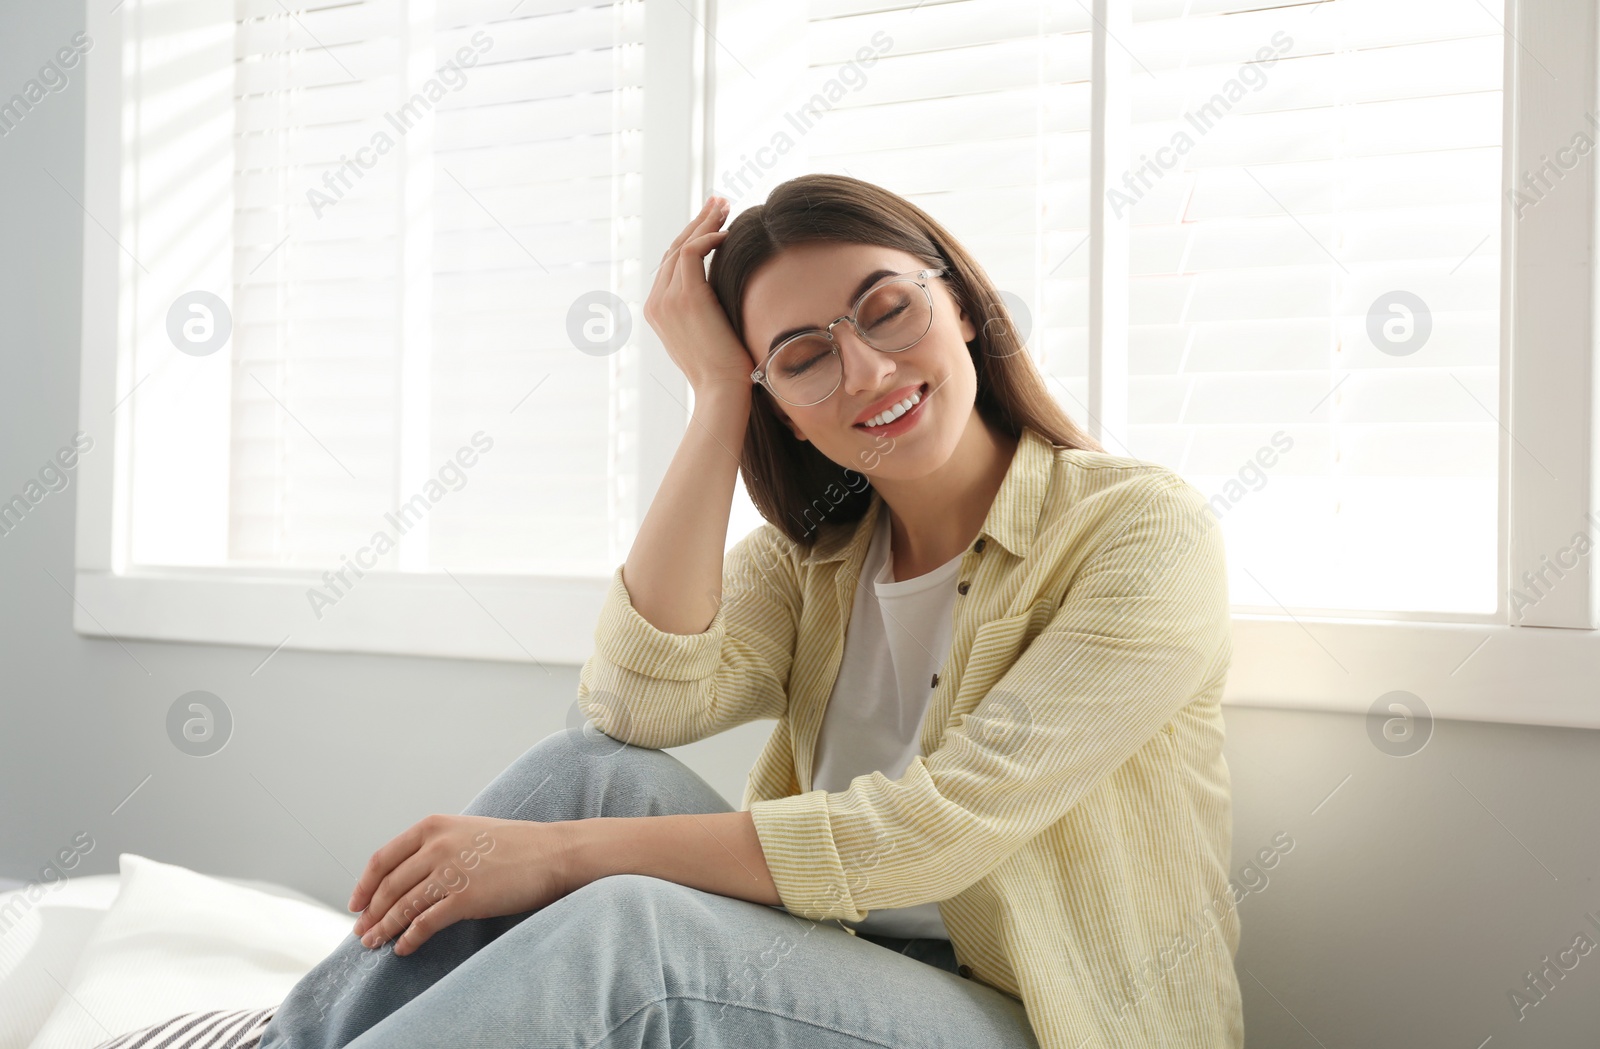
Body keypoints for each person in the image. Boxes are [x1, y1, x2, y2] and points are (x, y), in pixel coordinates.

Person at [258, 173, 1241, 1049]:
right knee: (583, 771)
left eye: (889, 308)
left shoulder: (1138, 530)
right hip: (838, 967)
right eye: (804, 357)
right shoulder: (819, 552)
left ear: (964, 307)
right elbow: (632, 708)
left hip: (1045, 1018)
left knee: (629, 929)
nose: (863, 371)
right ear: (782, 402)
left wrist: (556, 860)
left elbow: (931, 833)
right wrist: (716, 395)